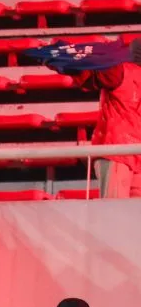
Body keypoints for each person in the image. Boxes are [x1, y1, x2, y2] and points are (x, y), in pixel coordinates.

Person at [53, 41, 141, 198]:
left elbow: (87, 76)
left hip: (121, 151)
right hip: (119, 152)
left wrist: (60, 60)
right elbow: (89, 76)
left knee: (119, 213)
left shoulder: (120, 71)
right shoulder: (120, 72)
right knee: (122, 213)